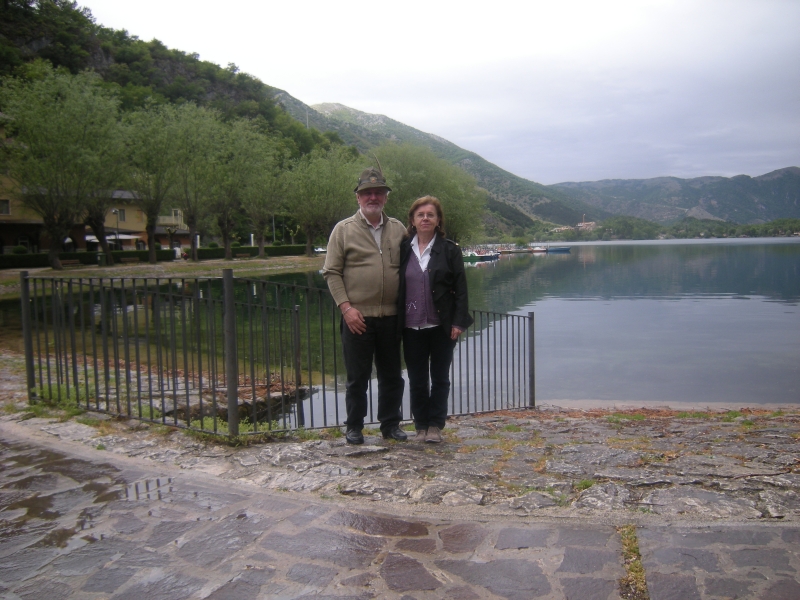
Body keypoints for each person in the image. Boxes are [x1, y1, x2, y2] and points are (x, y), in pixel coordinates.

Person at [322, 167, 408, 445]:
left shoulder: (398, 229)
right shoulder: (343, 230)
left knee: (392, 376)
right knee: (357, 378)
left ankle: (390, 425)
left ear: (385, 197)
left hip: (392, 317)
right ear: (358, 198)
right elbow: (331, 272)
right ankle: (354, 426)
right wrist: (346, 308)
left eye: (378, 192)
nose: (373, 197)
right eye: (367, 193)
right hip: (357, 317)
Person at [398, 196, 473, 443]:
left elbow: (461, 289)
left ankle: (435, 426)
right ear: (412, 220)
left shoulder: (450, 250)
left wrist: (459, 322)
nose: (425, 218)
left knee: (440, 378)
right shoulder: (402, 249)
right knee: (417, 380)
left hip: (442, 327)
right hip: (411, 326)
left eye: (431, 214)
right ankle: (420, 425)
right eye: (420, 215)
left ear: (438, 220)